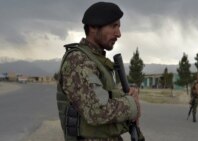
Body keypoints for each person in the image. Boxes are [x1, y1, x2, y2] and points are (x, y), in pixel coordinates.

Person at [56, 2, 142, 141]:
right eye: (113, 26)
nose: (119, 34)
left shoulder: (96, 60)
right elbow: (96, 111)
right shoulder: (78, 60)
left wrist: (124, 94)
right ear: (93, 27)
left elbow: (101, 95)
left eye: (119, 27)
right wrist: (132, 105)